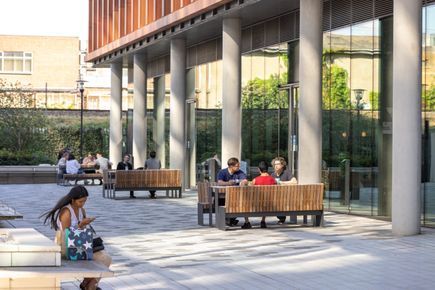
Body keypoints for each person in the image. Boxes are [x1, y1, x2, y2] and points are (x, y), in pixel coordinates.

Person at [40, 186, 112, 290]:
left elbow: (79, 231)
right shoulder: (66, 212)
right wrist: (80, 225)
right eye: (80, 201)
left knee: (106, 258)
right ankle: (90, 286)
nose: (82, 204)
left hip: (79, 243)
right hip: (66, 246)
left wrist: (84, 224)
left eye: (84, 201)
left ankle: (87, 284)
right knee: (104, 258)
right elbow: (67, 234)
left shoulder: (81, 210)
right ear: (73, 200)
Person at [243, 160, 277, 229]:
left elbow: (249, 190)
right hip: (269, 203)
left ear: (259, 169)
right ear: (267, 169)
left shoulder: (255, 180)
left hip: (255, 204)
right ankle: (263, 221)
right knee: (265, 200)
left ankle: (247, 222)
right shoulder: (273, 180)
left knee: (244, 201)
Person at [217, 157, 248, 226]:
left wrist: (243, 182)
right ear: (231, 166)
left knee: (237, 203)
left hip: (235, 196)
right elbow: (219, 182)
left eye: (239, 165)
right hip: (223, 197)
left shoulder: (239, 172)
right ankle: (228, 220)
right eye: (237, 166)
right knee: (220, 202)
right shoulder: (222, 172)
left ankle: (230, 220)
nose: (238, 167)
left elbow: (245, 180)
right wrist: (228, 183)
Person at [271, 157, 297, 224]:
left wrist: (282, 183)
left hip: (286, 197)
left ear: (282, 165)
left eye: (278, 164)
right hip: (276, 197)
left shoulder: (287, 172)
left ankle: (281, 218)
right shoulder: (273, 175)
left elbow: (294, 182)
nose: (276, 166)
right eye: (274, 164)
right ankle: (281, 218)